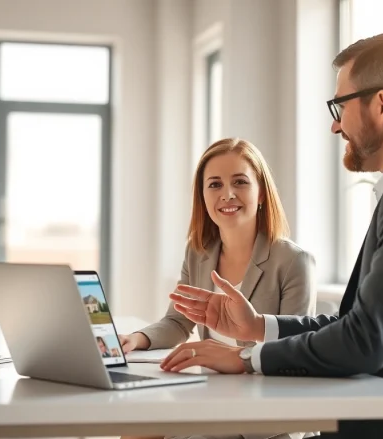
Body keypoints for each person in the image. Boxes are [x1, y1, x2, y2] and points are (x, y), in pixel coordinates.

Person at [161, 29, 383, 439]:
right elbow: (358, 323)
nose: (335, 125)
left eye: (340, 107)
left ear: (381, 104)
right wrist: (259, 326)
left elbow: (365, 341)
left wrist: (247, 359)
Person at [120, 137, 316, 439]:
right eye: (214, 185)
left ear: (261, 191)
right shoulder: (198, 252)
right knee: (137, 426)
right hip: (213, 397)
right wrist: (138, 338)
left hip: (268, 414)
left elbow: (294, 354)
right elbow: (178, 321)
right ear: (202, 195)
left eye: (240, 182)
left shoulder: (293, 261)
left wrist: (228, 356)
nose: (227, 194)